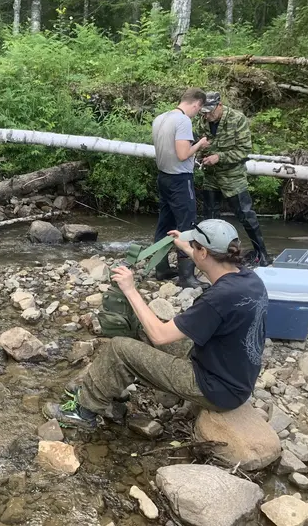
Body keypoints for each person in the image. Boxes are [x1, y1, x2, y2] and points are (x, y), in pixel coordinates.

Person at [43, 219, 268, 430]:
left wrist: (130, 289)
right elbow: (213, 266)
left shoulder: (217, 299)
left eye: (194, 245)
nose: (191, 247)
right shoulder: (249, 279)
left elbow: (160, 336)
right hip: (234, 377)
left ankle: (83, 413)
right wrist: (186, 248)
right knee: (141, 328)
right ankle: (106, 383)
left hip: (214, 389)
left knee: (120, 347)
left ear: (204, 252)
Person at [196, 92, 270, 266]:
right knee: (210, 217)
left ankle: (263, 255)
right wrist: (200, 157)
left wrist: (219, 157)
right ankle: (214, 257)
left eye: (209, 112)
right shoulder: (202, 121)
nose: (206, 116)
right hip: (211, 177)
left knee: (246, 216)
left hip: (233, 177)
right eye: (203, 113)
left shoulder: (237, 119)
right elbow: (200, 145)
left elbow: (244, 150)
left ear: (219, 106)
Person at [151, 88, 211, 288]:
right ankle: (187, 277)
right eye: (199, 109)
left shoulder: (160, 118)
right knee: (186, 224)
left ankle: (161, 269)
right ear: (196, 104)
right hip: (180, 179)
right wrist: (200, 144)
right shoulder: (183, 121)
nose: (197, 113)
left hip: (163, 177)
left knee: (164, 224)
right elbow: (183, 154)